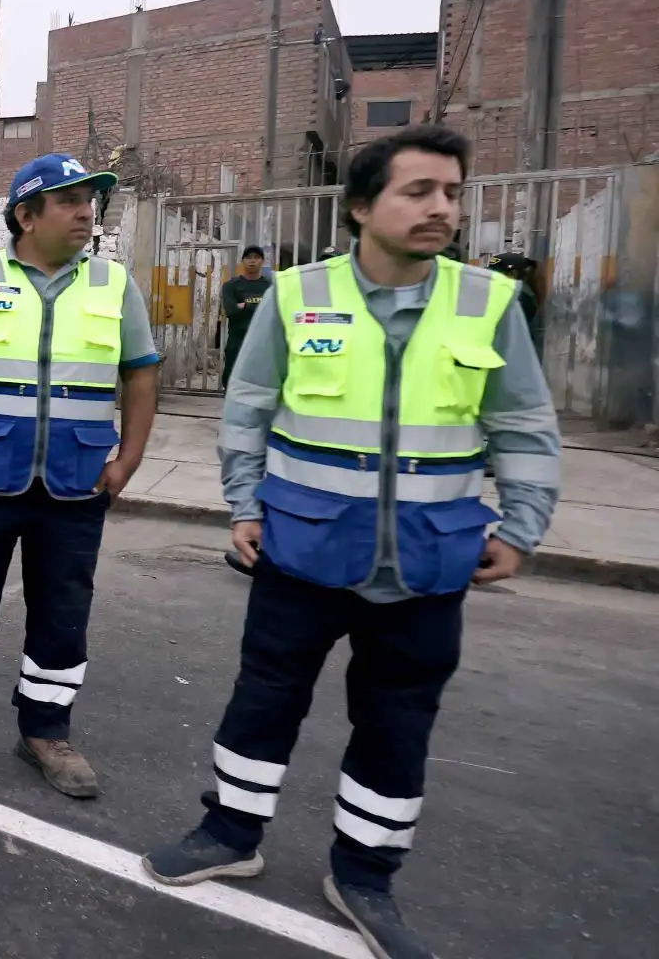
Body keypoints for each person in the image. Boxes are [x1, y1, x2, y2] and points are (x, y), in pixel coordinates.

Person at [142, 126, 562, 958]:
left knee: (398, 722)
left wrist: (522, 526)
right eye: (419, 191)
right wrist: (241, 507)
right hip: (302, 549)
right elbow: (249, 411)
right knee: (264, 699)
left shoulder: (486, 302)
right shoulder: (297, 298)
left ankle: (365, 873)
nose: (441, 207)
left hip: (428, 561)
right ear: (363, 207)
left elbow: (523, 425)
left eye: (451, 191)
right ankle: (230, 833)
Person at [0, 153, 160, 799]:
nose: (84, 212)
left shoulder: (111, 285)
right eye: (70, 201)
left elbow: (141, 373)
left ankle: (46, 730)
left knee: (63, 612)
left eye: (90, 201)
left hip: (75, 483)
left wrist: (128, 459)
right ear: (26, 214)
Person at [220, 245, 272, 390]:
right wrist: (259, 306)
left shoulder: (270, 286)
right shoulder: (231, 286)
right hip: (238, 337)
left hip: (261, 338)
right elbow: (231, 310)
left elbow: (273, 311)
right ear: (243, 261)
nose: (252, 261)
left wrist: (244, 305)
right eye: (248, 257)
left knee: (260, 377)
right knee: (232, 376)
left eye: (256, 258)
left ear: (262, 261)